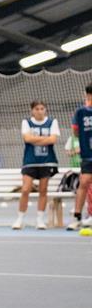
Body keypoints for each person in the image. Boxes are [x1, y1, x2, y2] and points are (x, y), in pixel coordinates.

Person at [14, 101, 59, 231]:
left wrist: (36, 139)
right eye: (37, 109)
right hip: (30, 161)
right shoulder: (26, 122)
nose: (39, 111)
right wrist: (45, 139)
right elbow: (27, 139)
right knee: (25, 189)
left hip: (47, 160)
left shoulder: (52, 122)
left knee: (43, 190)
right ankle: (20, 219)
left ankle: (40, 219)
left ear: (45, 110)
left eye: (42, 108)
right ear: (32, 111)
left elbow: (53, 140)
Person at [67, 84, 92, 231]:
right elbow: (75, 132)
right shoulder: (80, 112)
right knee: (84, 182)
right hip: (88, 154)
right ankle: (77, 217)